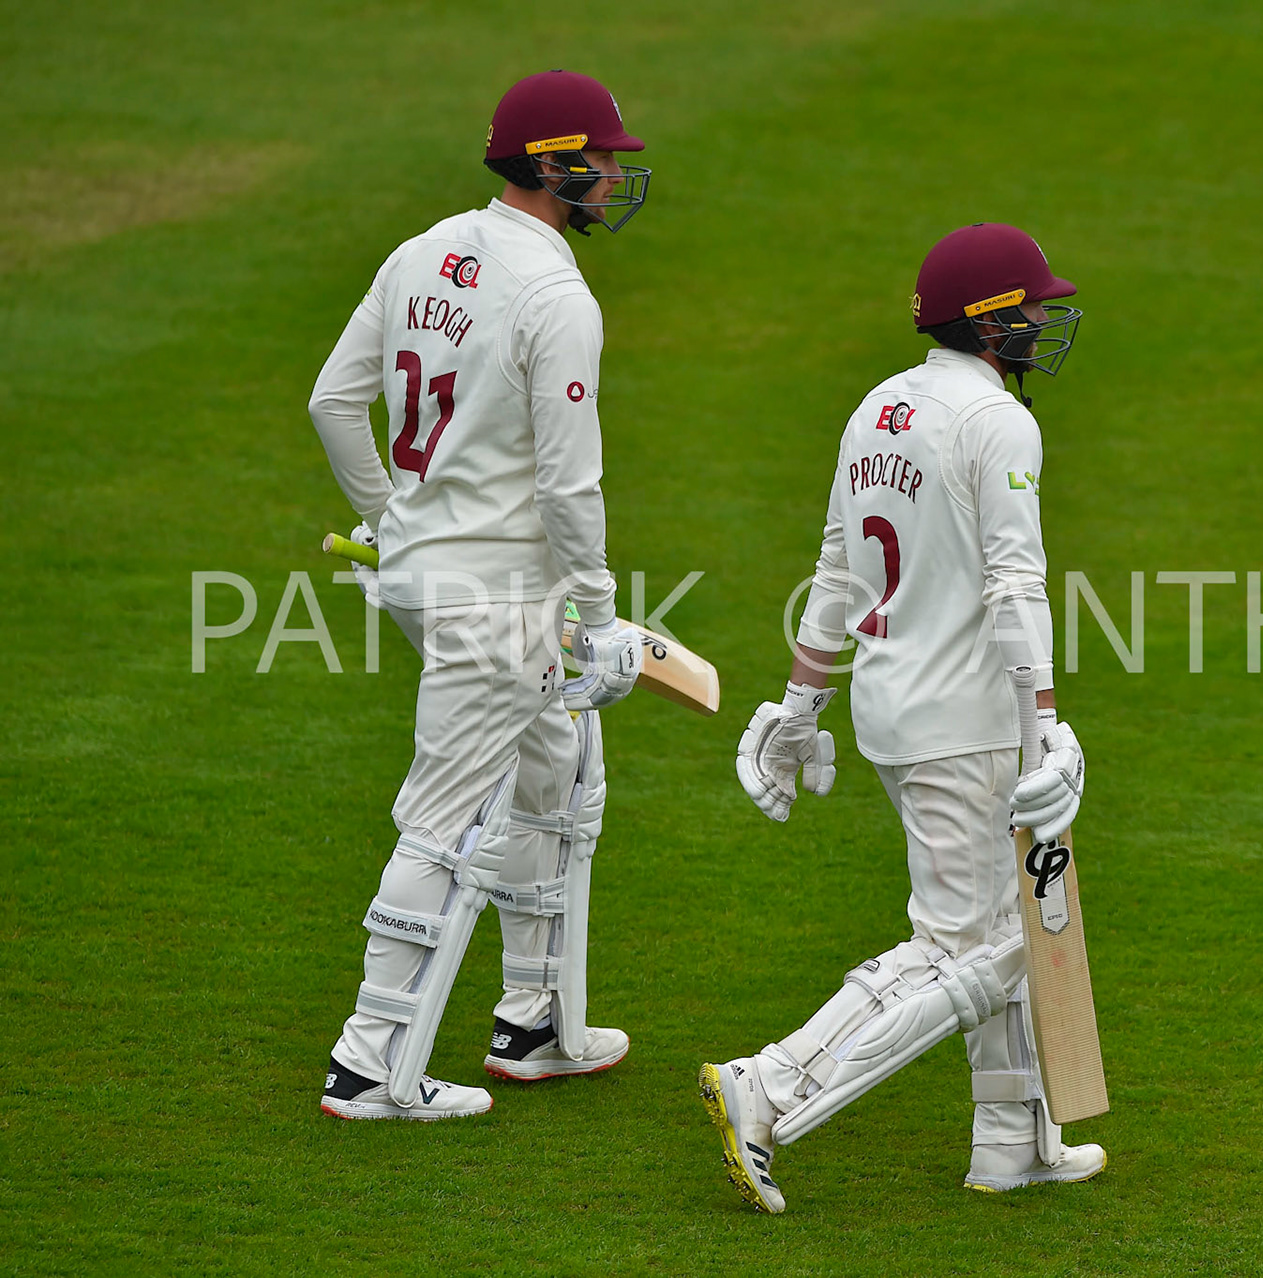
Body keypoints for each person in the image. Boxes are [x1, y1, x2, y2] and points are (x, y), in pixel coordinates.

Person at [705, 222, 1104, 1210]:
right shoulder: (998, 421)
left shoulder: (878, 407)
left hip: (893, 709)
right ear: (990, 320)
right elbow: (1017, 584)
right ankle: (772, 1084)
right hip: (966, 721)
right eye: (1031, 308)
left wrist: (802, 706)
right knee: (976, 947)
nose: (1044, 322)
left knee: (1001, 923)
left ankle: (1014, 1140)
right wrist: (1045, 721)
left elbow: (837, 570)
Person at [307, 70, 654, 1120]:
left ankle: (536, 1021)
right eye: (599, 160)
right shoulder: (556, 297)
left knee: (558, 775)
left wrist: (390, 517)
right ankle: (370, 1066)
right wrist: (598, 621)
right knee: (447, 818)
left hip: (427, 578)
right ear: (552, 167)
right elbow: (568, 482)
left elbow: (334, 402)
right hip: (501, 602)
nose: (611, 177)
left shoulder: (421, 251)